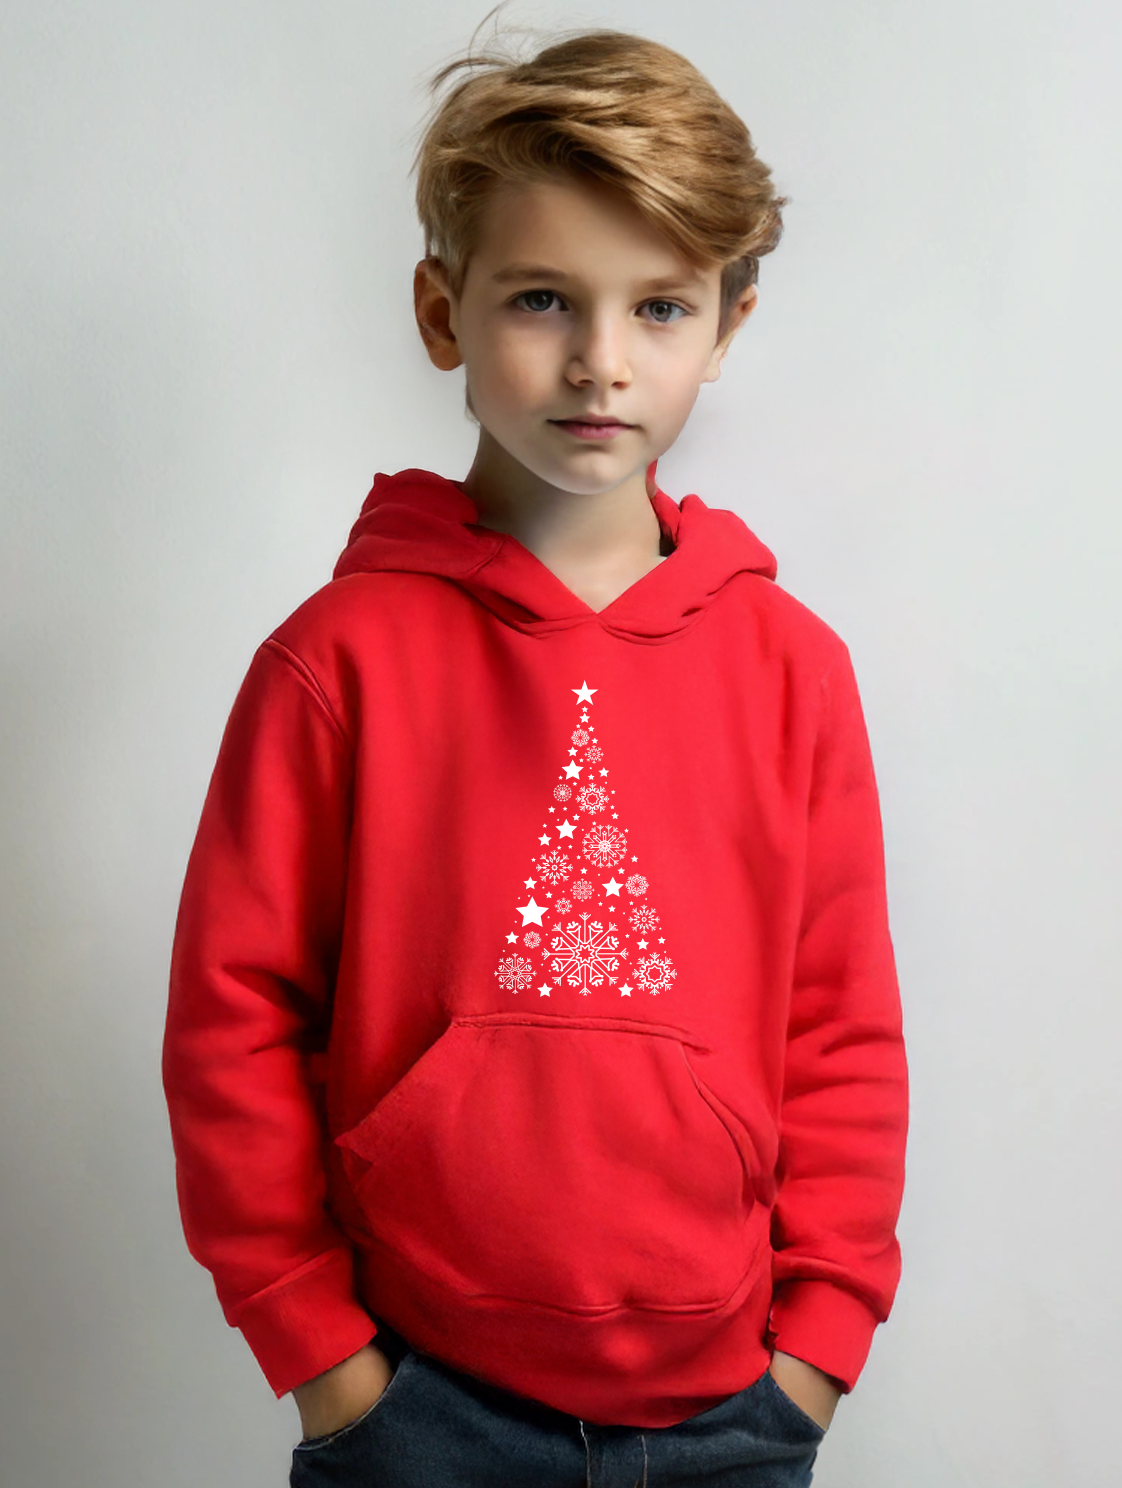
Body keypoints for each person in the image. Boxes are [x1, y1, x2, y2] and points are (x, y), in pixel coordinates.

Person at [162, 19, 909, 1487]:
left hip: (733, 1416)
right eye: (543, 299)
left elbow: (840, 1036)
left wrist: (816, 1353)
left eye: (660, 308)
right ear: (442, 312)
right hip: (416, 1406)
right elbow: (233, 1021)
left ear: (727, 326)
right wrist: (324, 1362)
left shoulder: (793, 672)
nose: (600, 363)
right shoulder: (336, 661)